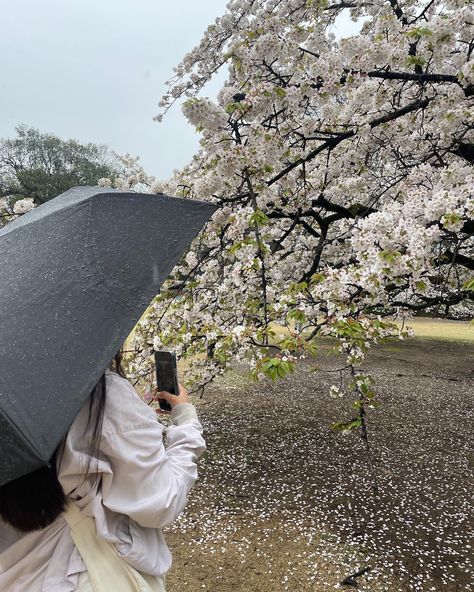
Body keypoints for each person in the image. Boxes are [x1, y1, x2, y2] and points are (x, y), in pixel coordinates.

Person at [0, 351, 206, 591]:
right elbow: (162, 501)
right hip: (82, 575)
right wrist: (186, 420)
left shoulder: (8, 398)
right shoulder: (99, 394)